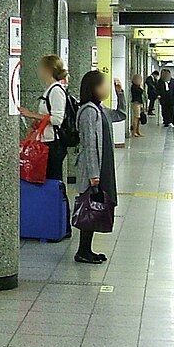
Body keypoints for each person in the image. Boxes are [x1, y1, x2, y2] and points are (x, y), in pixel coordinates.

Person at [74, 70, 126, 264]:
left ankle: (87, 249)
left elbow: (121, 114)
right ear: (94, 88)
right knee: (90, 206)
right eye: (104, 84)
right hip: (92, 168)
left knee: (97, 205)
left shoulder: (100, 109)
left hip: (103, 165)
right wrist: (93, 174)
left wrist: (120, 93)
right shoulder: (88, 111)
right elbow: (88, 144)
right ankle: (83, 251)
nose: (106, 88)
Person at [19, 54, 72, 181]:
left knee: (52, 180)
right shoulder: (49, 89)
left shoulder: (56, 91)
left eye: (41, 68)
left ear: (48, 70)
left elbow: (57, 119)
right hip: (46, 142)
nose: (39, 71)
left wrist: (31, 114)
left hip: (53, 144)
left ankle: (57, 201)